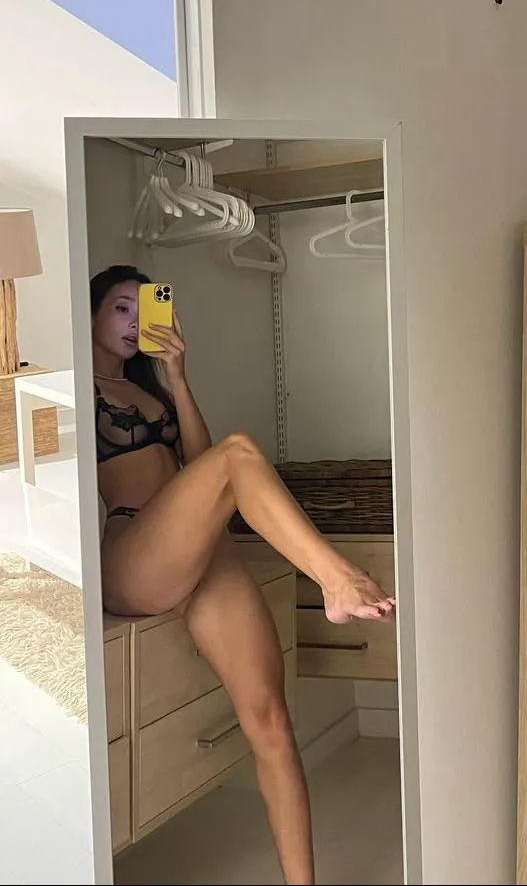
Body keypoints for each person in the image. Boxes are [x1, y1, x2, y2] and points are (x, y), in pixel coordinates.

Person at [90, 265, 395, 886]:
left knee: (271, 721)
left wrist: (177, 378)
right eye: (121, 308)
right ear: (90, 311)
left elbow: (202, 466)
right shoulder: (74, 387)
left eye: (144, 309)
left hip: (196, 546)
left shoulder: (152, 391)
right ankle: (336, 579)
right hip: (132, 552)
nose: (134, 322)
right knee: (239, 451)